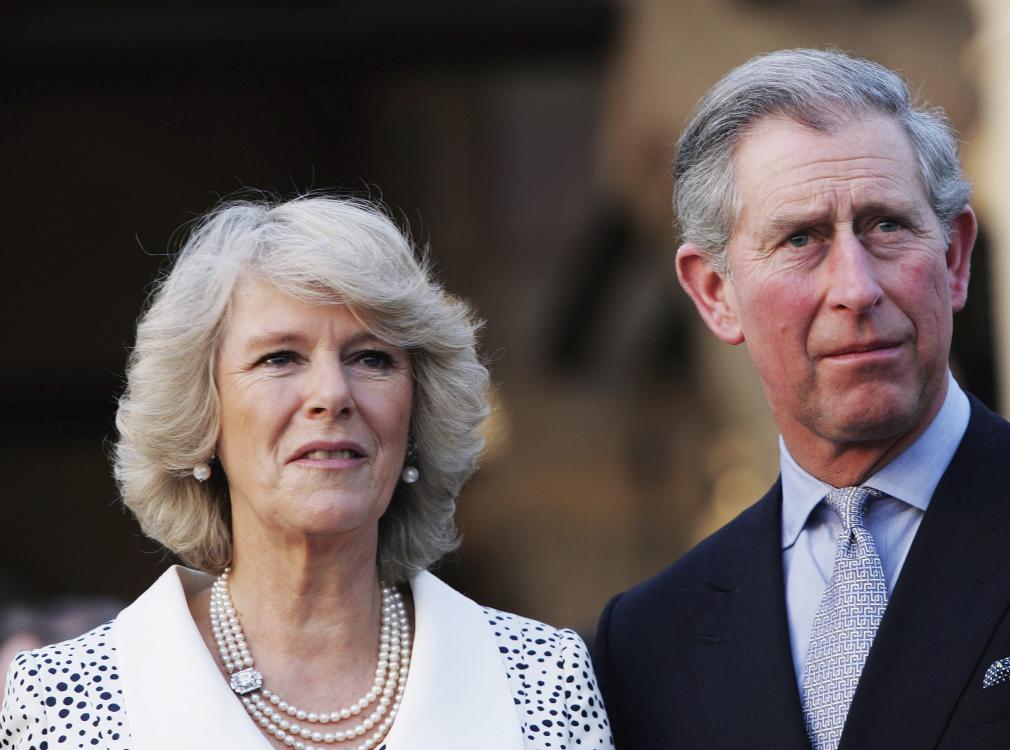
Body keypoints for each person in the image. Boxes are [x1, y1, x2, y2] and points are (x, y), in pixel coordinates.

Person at [593, 48, 1010, 750]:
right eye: (801, 238)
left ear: (955, 257)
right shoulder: (648, 638)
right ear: (716, 294)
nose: (857, 287)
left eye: (886, 226)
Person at [0, 195, 612, 750]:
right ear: (201, 417)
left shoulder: (540, 678)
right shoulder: (70, 696)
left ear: (417, 413)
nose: (331, 394)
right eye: (280, 358)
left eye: (371, 358)